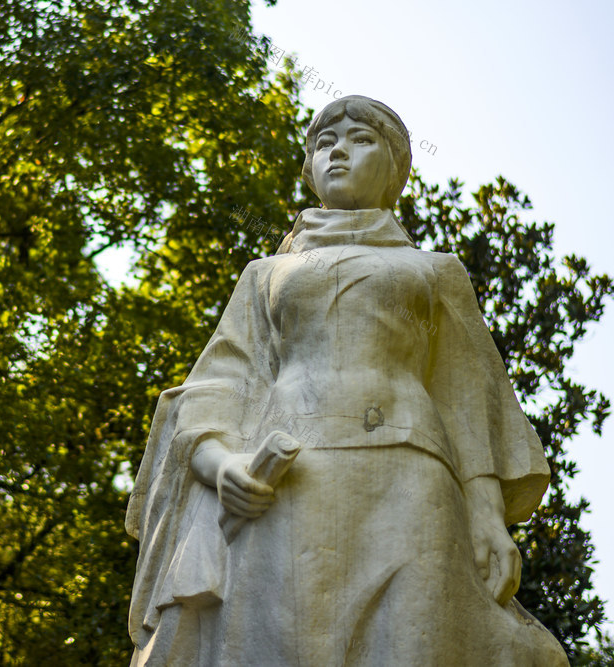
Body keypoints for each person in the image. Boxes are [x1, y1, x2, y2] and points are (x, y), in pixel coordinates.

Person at [125, 96, 569, 666]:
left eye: (361, 139)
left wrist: (486, 515)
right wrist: (221, 465)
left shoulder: (434, 271)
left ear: (397, 167)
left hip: (411, 479)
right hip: (285, 480)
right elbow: (220, 383)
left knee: (412, 646)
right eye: (323, 142)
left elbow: (467, 395)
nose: (338, 150)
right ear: (309, 168)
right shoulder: (265, 275)